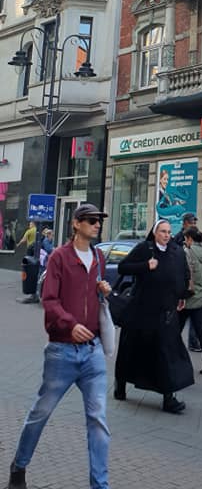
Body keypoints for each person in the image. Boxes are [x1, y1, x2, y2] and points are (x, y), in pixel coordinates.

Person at [8, 203, 112, 489]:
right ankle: (19, 466)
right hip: (62, 352)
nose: (97, 224)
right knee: (40, 413)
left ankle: (100, 485)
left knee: (98, 420)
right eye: (91, 220)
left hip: (92, 352)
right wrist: (69, 324)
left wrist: (102, 290)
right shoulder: (59, 257)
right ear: (76, 223)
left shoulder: (98, 257)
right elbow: (49, 299)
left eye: (99, 220)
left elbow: (92, 296)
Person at [113, 219, 194, 413]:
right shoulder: (145, 249)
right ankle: (120, 385)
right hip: (141, 312)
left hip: (165, 313)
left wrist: (182, 295)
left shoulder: (176, 252)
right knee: (130, 350)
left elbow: (182, 275)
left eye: (169, 232)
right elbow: (123, 267)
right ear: (155, 233)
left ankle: (169, 398)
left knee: (167, 353)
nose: (166, 235)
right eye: (162, 231)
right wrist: (145, 266)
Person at [180, 227, 202, 375]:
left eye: (185, 239)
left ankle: (176, 362)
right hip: (201, 296)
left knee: (175, 331)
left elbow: (183, 275)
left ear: (189, 239)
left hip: (187, 298)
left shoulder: (187, 252)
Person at [172, 213, 202, 351]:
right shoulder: (178, 238)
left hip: (194, 283)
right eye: (191, 222)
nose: (194, 224)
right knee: (181, 317)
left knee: (195, 314)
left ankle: (192, 342)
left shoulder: (197, 237)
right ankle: (172, 342)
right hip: (183, 283)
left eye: (195, 222)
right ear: (184, 223)